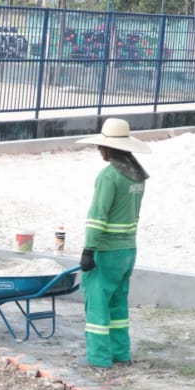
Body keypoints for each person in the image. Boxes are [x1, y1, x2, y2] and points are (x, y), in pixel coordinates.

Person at [77, 118, 151, 368]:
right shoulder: (137, 177)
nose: (100, 150)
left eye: (101, 147)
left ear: (109, 148)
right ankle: (121, 353)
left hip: (106, 251)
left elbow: (98, 216)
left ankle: (98, 358)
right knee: (118, 304)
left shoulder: (109, 176)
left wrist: (89, 249)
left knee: (97, 305)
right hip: (128, 250)